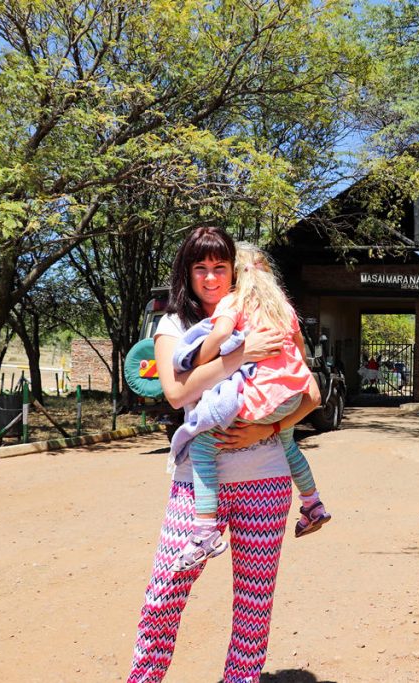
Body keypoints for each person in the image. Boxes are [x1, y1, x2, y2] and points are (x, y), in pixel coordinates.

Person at [128, 226, 321, 683]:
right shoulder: (173, 326)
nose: (211, 278)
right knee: (165, 591)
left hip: (266, 478)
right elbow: (176, 394)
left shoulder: (268, 316)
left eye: (220, 267)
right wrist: (240, 354)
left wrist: (266, 426)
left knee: (254, 604)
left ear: (235, 271)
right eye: (201, 268)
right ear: (187, 272)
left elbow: (310, 392)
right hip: (197, 482)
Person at [169, 242, 331, 571]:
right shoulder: (283, 307)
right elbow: (304, 370)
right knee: (288, 446)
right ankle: (313, 503)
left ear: (235, 275)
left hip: (264, 400)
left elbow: (220, 336)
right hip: (291, 397)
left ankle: (204, 531)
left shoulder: (236, 300)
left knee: (201, 444)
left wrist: (198, 354)